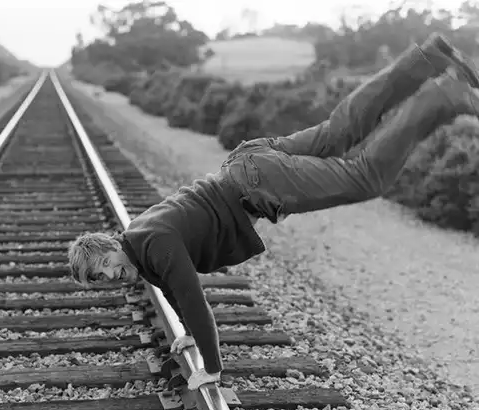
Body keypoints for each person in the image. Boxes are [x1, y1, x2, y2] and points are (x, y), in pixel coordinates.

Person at [68, 33, 479, 390]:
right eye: (100, 279)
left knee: (364, 176)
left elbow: (192, 300)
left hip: (259, 184)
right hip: (246, 162)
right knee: (339, 131)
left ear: (110, 245)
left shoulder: (155, 247)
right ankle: (426, 58)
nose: (110, 276)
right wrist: (189, 336)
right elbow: (172, 290)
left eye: (104, 265)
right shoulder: (139, 241)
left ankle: (444, 96)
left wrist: (211, 368)